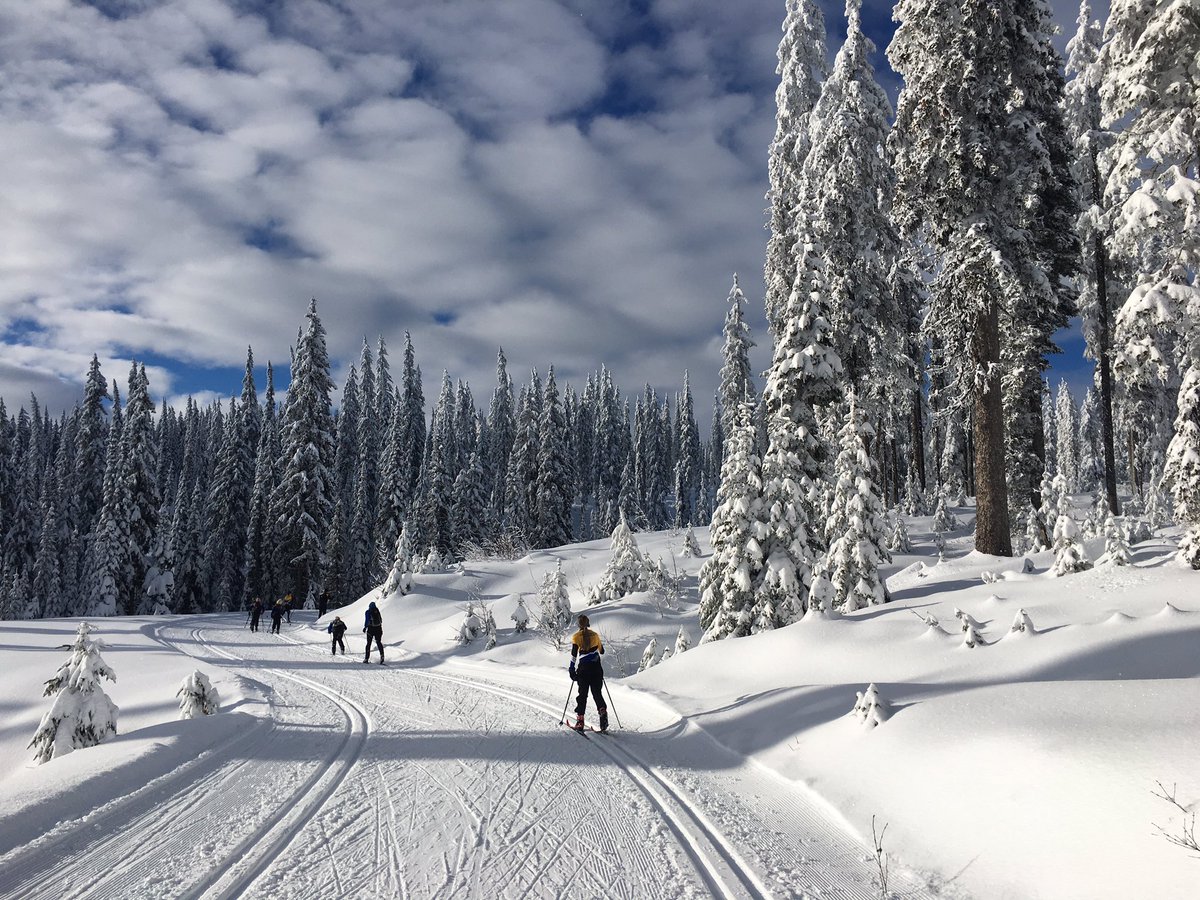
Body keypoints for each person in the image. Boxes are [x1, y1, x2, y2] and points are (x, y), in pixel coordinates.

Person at [568, 614, 607, 732]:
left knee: (582, 695)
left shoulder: (576, 637)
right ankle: (603, 714)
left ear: (578, 625)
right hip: (596, 668)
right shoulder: (595, 635)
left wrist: (571, 670)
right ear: (588, 624)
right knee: (597, 693)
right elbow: (602, 651)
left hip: (584, 670)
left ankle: (580, 722)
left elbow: (574, 656)